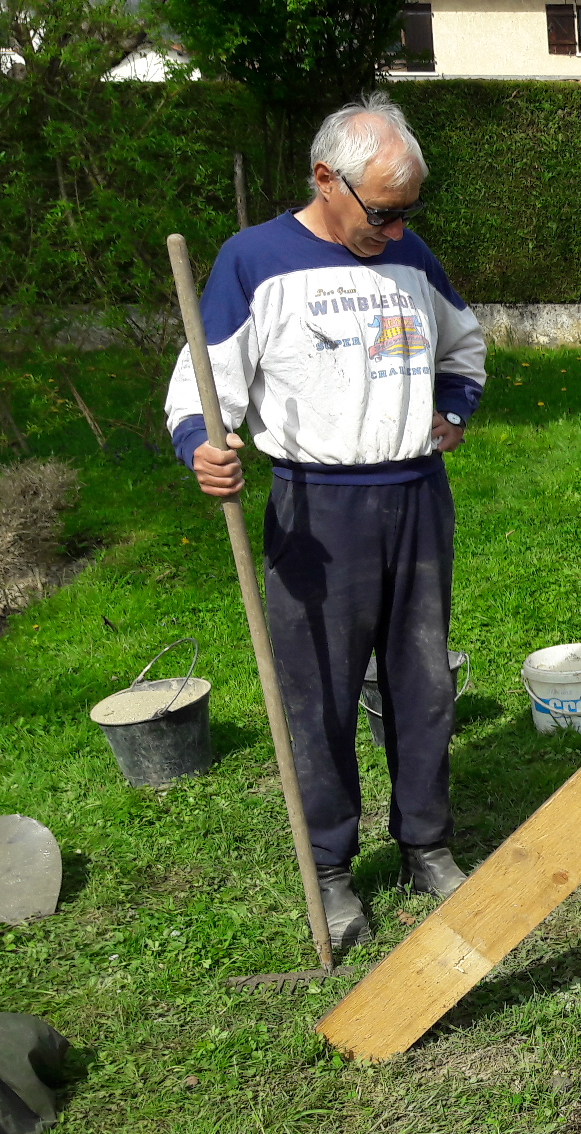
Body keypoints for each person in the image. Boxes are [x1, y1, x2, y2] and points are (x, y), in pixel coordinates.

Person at [166, 92, 486, 951]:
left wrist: (455, 402)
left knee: (422, 686)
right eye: (383, 212)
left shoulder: (410, 255)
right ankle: (332, 868)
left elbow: (465, 342)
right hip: (316, 509)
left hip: (417, 495)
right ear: (325, 179)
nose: (396, 229)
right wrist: (204, 444)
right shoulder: (253, 261)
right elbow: (199, 389)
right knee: (320, 696)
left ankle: (426, 844)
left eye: (407, 212)